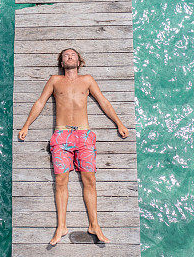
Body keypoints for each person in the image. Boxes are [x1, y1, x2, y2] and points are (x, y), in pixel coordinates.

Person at [17, 48, 129, 245]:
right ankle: (61, 226)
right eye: (66, 56)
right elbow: (40, 102)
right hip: (61, 136)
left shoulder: (87, 80)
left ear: (79, 62)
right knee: (60, 180)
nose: (70, 57)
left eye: (73, 55)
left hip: (84, 135)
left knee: (90, 180)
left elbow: (103, 101)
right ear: (61, 63)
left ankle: (94, 225)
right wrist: (26, 125)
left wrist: (118, 123)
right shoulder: (54, 80)